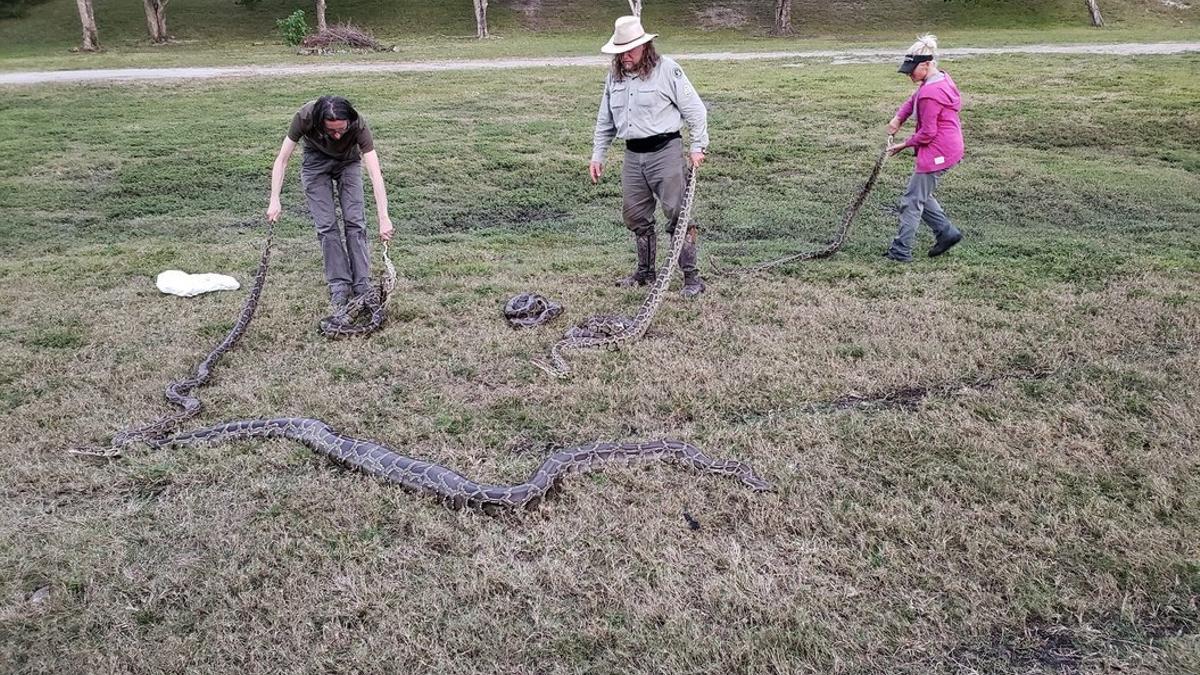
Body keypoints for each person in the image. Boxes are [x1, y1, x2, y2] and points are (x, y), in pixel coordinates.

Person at [590, 15, 709, 298]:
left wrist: (697, 146)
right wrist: (598, 154)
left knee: (678, 213)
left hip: (665, 151)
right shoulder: (614, 75)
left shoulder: (668, 70)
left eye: (630, 49)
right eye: (620, 51)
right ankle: (645, 273)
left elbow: (696, 111)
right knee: (635, 215)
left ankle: (692, 278)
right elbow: (604, 119)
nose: (625, 56)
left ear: (645, 46)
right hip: (633, 155)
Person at [266, 96, 394, 322]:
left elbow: (375, 173)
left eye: (341, 130)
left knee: (355, 222)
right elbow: (282, 160)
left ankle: (362, 284)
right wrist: (274, 199)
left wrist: (384, 217)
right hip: (315, 164)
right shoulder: (304, 116)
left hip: (348, 163)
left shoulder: (358, 124)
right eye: (331, 131)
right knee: (326, 226)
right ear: (319, 122)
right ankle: (339, 285)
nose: (337, 135)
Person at [884, 35, 964, 262]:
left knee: (911, 201)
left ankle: (900, 252)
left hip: (939, 150)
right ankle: (947, 233)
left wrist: (903, 144)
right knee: (920, 195)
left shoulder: (931, 92)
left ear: (927, 64)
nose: (909, 75)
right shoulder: (939, 79)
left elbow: (928, 133)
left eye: (912, 70)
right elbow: (913, 99)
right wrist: (898, 119)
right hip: (948, 146)